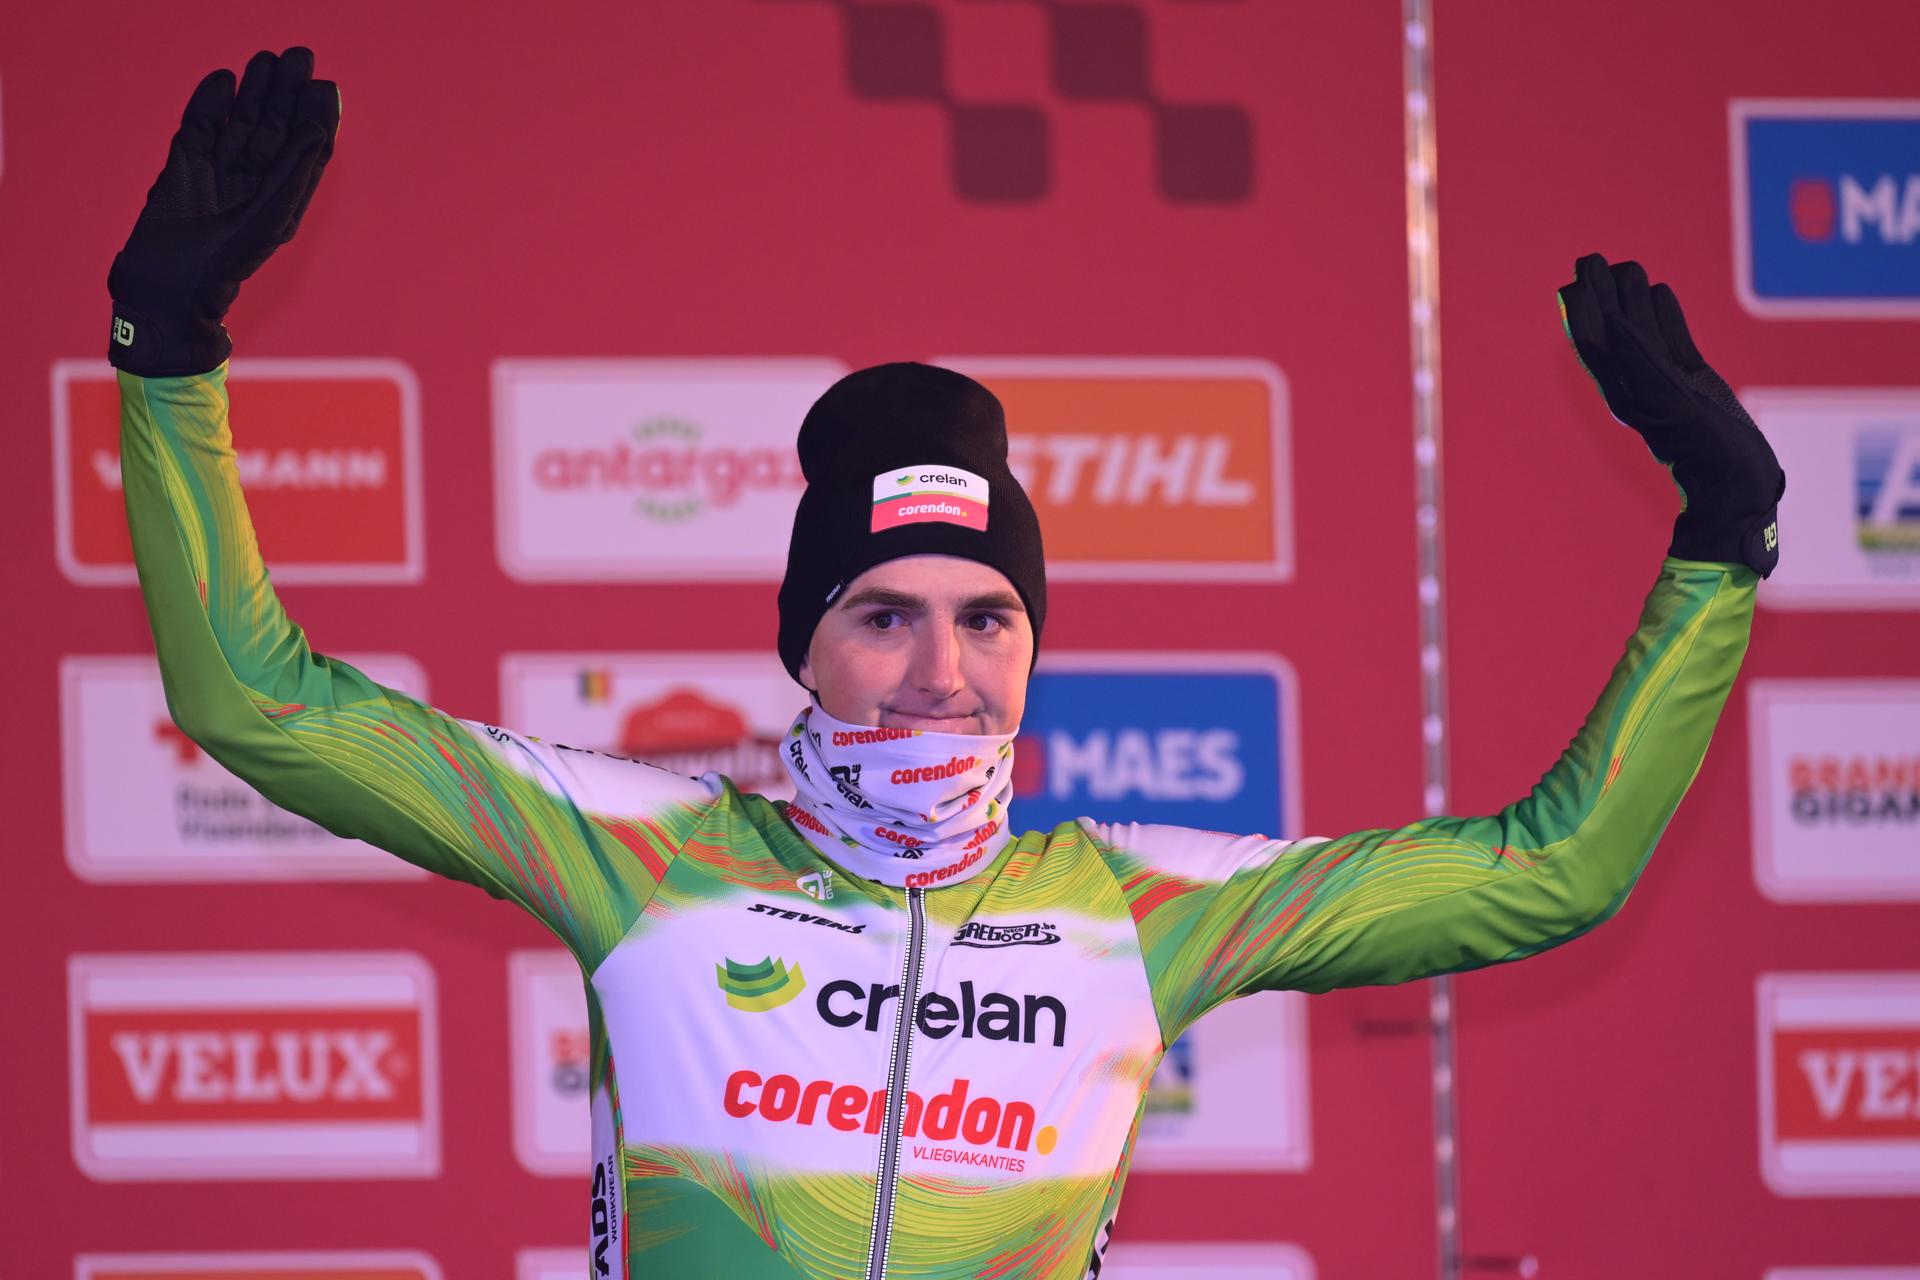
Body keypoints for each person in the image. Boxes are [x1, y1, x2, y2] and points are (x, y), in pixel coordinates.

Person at [109, 48, 1784, 1280]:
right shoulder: (642, 855)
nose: (939, 673)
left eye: (988, 620)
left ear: (1036, 652)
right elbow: (258, 701)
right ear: (804, 649)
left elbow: (1551, 871)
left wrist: (1721, 540)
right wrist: (169, 355)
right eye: (882, 614)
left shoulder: (1140, 910)